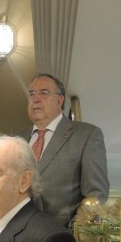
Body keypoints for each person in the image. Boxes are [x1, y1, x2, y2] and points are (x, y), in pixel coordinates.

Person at [20, 73, 109, 228]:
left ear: (59, 101)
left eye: (44, 93)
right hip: (16, 238)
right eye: (32, 94)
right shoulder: (16, 138)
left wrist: (73, 233)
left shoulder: (86, 135)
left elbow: (96, 196)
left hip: (61, 238)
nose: (35, 99)